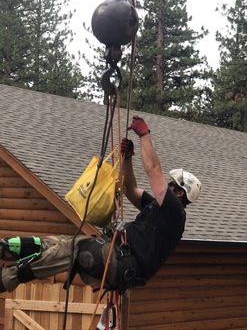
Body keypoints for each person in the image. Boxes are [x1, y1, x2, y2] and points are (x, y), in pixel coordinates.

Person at [0, 116, 201, 293]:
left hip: (122, 265)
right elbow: (131, 190)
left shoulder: (174, 212)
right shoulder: (158, 208)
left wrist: (145, 135)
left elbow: (153, 169)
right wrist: (128, 159)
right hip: (117, 256)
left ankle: (6, 279)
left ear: (180, 193)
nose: (168, 185)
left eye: (172, 185)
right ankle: (5, 247)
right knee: (55, 244)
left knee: (74, 249)